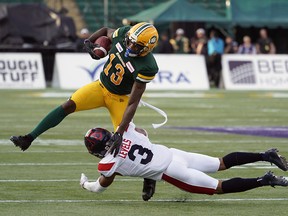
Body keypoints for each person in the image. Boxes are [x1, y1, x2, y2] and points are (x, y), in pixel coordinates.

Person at [10, 22, 160, 200]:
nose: (130, 46)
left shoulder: (148, 66)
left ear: (147, 49)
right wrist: (90, 41)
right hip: (100, 86)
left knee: (132, 138)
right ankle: (29, 138)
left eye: (136, 45)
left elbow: (133, 102)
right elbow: (105, 31)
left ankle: (150, 176)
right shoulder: (125, 34)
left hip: (120, 98)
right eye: (130, 41)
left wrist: (119, 131)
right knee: (68, 105)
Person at [80, 122, 288, 201]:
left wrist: (86, 185)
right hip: (174, 154)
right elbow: (142, 132)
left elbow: (101, 186)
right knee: (220, 163)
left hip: (171, 171)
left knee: (219, 187)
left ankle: (264, 180)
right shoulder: (125, 131)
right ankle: (265, 155)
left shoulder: (108, 164)